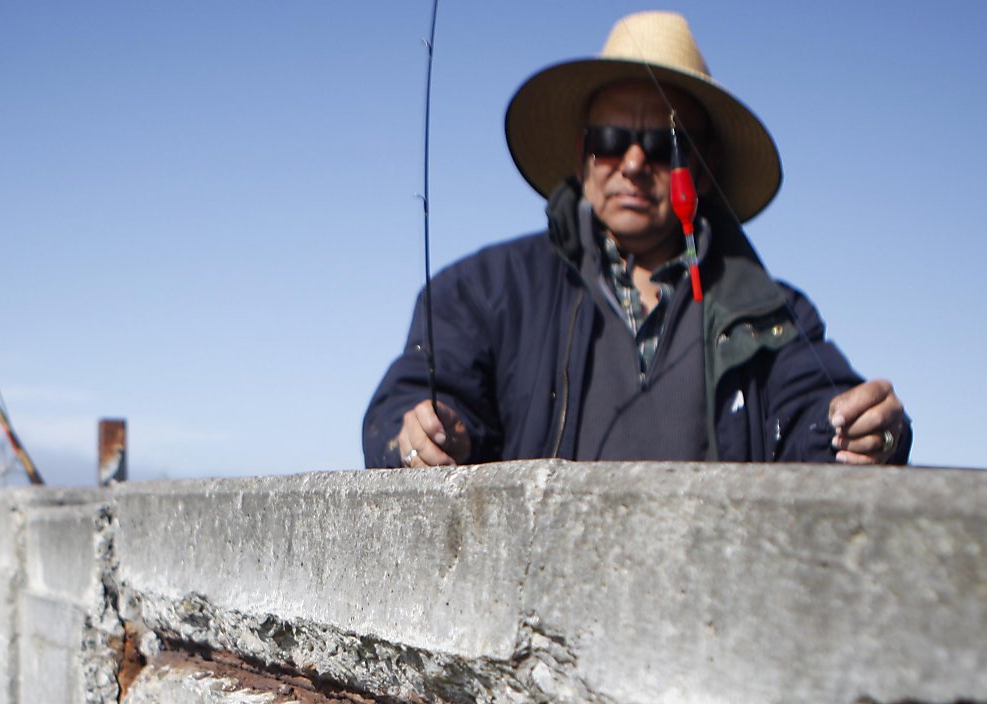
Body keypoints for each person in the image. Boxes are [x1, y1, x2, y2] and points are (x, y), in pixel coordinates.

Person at [364, 12, 910, 470]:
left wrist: (865, 430)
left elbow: (817, 417)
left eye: (662, 144)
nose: (631, 164)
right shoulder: (482, 289)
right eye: (609, 140)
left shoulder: (775, 313)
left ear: (703, 163)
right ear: (582, 156)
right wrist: (422, 432)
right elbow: (409, 402)